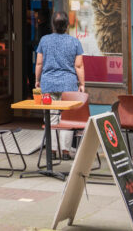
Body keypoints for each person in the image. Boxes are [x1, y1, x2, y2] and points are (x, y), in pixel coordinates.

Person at [34, 11, 85, 158]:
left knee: (50, 117)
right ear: (67, 25)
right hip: (69, 85)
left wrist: (38, 80)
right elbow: (79, 66)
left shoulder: (44, 40)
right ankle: (65, 150)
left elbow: (39, 63)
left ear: (52, 25)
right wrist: (82, 83)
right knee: (67, 117)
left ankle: (52, 150)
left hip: (48, 85)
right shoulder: (75, 42)